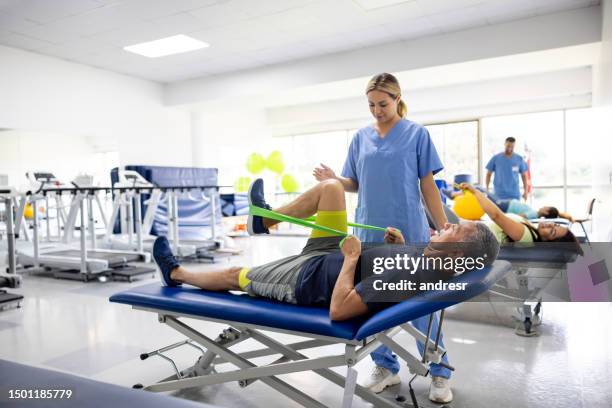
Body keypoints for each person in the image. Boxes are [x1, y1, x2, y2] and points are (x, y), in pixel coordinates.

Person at [153, 177, 499, 324]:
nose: (447, 225)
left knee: (234, 275)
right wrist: (394, 247)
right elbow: (382, 265)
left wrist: (351, 259)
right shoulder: (426, 259)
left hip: (308, 278)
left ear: (457, 252)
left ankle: (176, 273)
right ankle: (264, 222)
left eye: (455, 229)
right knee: (331, 188)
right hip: (328, 254)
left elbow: (340, 309)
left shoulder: (409, 276)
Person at [312, 73, 452, 402]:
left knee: (421, 305)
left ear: (397, 98)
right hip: (369, 229)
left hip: (409, 228)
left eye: (383, 104)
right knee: (369, 300)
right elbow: (355, 183)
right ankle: (385, 366)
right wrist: (335, 179)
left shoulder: (417, 134)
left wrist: (443, 226)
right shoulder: (360, 137)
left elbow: (427, 185)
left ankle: (439, 370)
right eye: (371, 104)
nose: (377, 110)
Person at [459, 183, 582, 251]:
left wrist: (475, 192)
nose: (550, 224)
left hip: (467, 236)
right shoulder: (533, 227)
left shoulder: (526, 236)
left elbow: (496, 216)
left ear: (548, 242)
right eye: (555, 224)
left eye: (552, 231)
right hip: (469, 228)